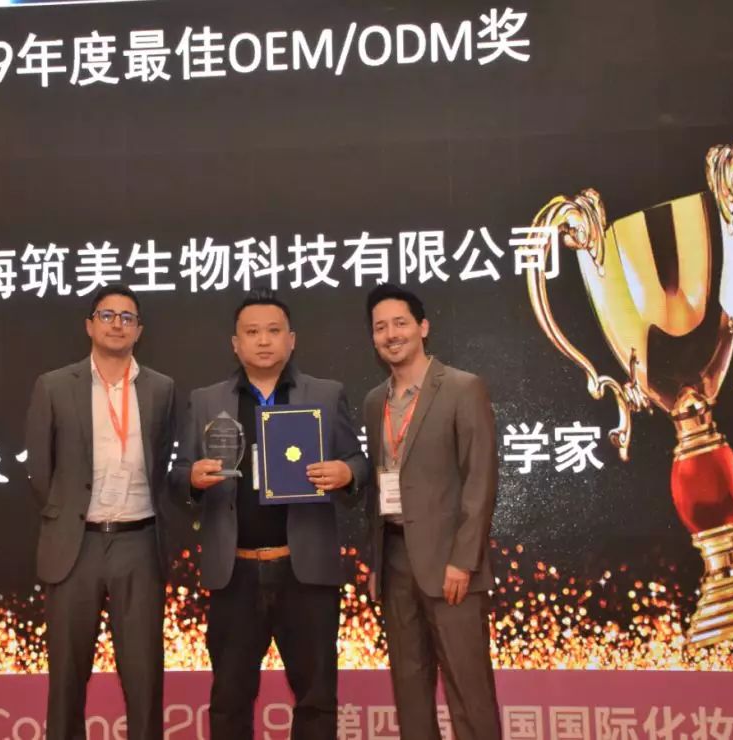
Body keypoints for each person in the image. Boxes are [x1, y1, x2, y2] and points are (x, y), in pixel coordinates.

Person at [172, 290, 368, 740]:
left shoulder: (325, 394)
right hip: (235, 573)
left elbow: (358, 461)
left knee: (317, 699)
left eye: (274, 331)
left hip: (305, 571)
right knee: (229, 700)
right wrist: (192, 479)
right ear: (235, 343)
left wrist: (346, 473)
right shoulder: (206, 400)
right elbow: (178, 475)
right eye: (252, 332)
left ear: (291, 339)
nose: (264, 341)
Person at [24, 284, 175, 740]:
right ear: (89, 325)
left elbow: (164, 464)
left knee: (145, 678)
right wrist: (68, 514)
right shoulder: (54, 386)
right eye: (107, 315)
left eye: (127, 317)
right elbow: (40, 470)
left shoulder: (161, 389)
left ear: (139, 331)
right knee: (67, 678)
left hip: (139, 542)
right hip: (76, 545)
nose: (117, 324)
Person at [362, 283, 501, 740]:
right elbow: (380, 485)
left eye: (400, 323)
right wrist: (377, 562)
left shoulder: (462, 388)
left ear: (422, 327)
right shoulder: (374, 402)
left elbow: (480, 480)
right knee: (410, 692)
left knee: (469, 692)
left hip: (450, 564)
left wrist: (464, 560)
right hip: (395, 561)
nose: (391, 334)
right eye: (380, 327)